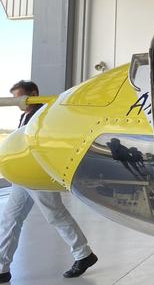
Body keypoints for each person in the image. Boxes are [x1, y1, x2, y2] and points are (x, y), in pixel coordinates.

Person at [0, 80, 98, 283]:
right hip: (22, 174)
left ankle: (83, 254)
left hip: (38, 174)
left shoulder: (45, 115)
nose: (19, 103)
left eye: (21, 98)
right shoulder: (24, 115)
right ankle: (2, 268)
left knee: (55, 215)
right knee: (10, 219)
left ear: (33, 94)